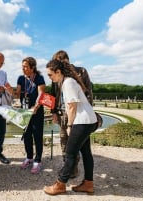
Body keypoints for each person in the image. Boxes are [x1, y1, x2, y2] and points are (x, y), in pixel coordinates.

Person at [43, 59, 97, 195]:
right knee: (85, 153)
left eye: (50, 75)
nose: (49, 77)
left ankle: (60, 184)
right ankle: (88, 184)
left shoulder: (68, 83)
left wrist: (69, 125)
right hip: (88, 120)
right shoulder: (67, 82)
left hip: (82, 121)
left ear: (58, 72)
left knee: (70, 153)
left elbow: (72, 106)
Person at [50, 50, 93, 178]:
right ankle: (70, 168)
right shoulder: (57, 74)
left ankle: (69, 172)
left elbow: (89, 93)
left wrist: (86, 113)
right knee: (65, 141)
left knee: (79, 145)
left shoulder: (81, 71)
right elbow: (53, 94)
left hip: (79, 114)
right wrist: (54, 112)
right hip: (64, 112)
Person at [15, 57, 46, 174]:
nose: (23, 69)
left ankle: (38, 160)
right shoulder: (20, 78)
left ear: (33, 68)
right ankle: (29, 157)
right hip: (25, 112)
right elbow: (17, 94)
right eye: (22, 66)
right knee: (27, 135)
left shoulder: (39, 78)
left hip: (36, 112)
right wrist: (8, 90)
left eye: (26, 66)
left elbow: (41, 94)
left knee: (37, 136)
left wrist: (36, 107)